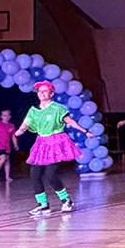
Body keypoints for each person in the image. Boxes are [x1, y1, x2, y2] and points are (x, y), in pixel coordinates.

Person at [14, 81, 90, 215]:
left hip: (55, 142)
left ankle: (67, 201)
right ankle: (43, 204)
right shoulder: (34, 110)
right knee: (34, 175)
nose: (42, 93)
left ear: (51, 93)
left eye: (45, 91)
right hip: (41, 143)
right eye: (40, 91)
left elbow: (70, 122)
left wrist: (85, 131)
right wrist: (18, 132)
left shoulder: (58, 108)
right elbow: (26, 124)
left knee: (50, 175)